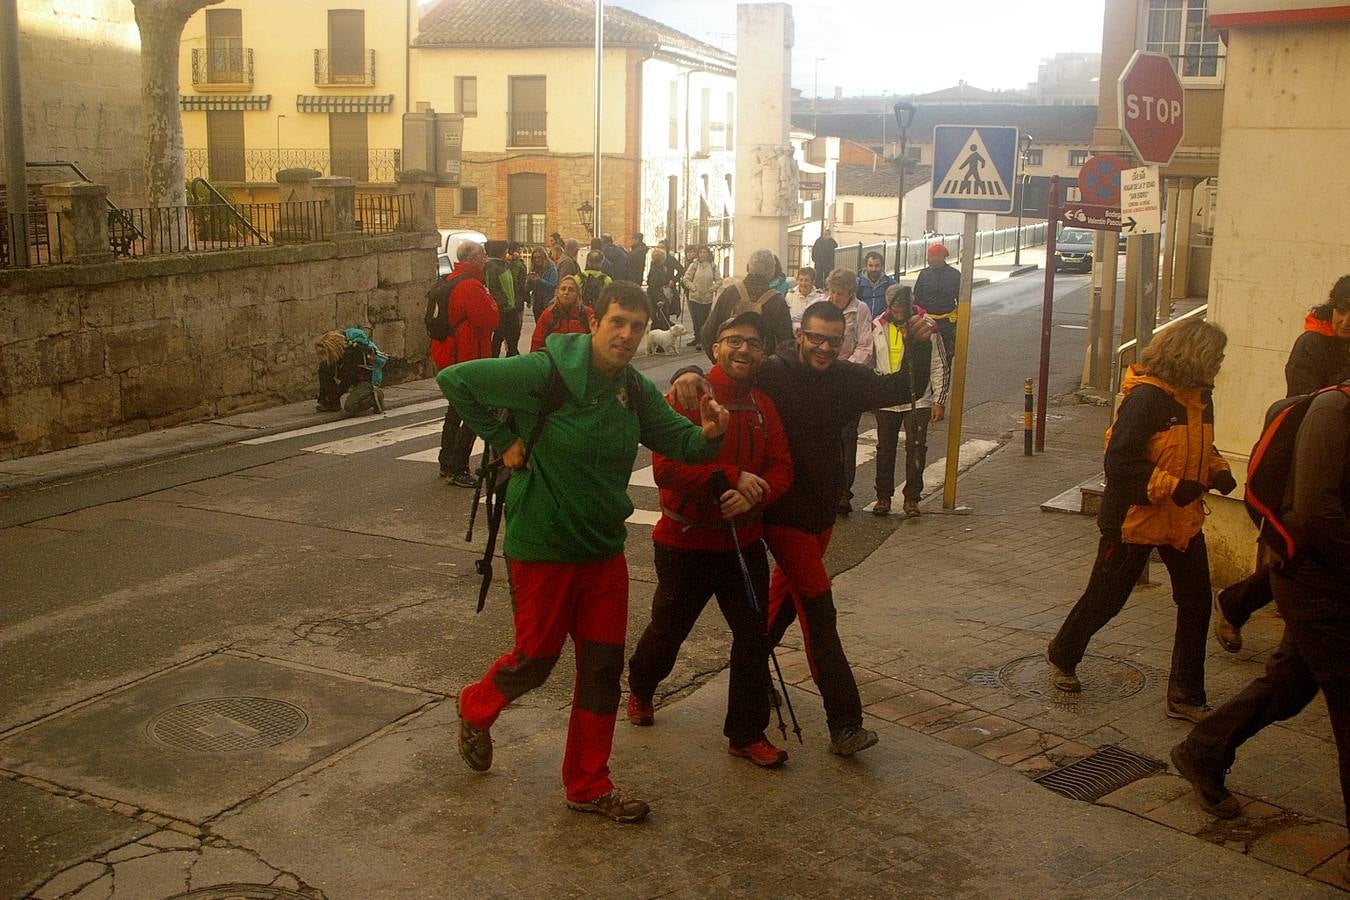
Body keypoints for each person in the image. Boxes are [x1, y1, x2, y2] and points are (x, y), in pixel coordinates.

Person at [441, 282, 730, 824]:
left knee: (601, 670)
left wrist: (709, 436)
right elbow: (455, 379)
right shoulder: (546, 371)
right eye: (618, 322)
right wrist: (501, 441)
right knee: (536, 660)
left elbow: (679, 441)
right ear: (595, 321)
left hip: (602, 552)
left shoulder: (633, 389)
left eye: (637, 326)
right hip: (544, 545)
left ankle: (589, 785)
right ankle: (475, 706)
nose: (626, 335)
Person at [673, 300, 916, 756]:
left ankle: (752, 678)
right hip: (783, 514)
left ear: (843, 342)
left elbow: (902, 386)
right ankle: (845, 723)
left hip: (821, 513)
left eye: (833, 341)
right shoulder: (774, 370)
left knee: (777, 613)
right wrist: (685, 370)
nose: (824, 348)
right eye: (816, 338)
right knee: (820, 614)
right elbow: (729, 366)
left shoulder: (847, 378)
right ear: (800, 334)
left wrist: (917, 343)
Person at [1171, 382, 1350, 855]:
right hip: (1317, 583)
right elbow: (1316, 515)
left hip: (1330, 581)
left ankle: (1203, 751)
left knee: (1291, 683)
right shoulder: (1335, 410)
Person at [627, 311, 795, 767]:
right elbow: (666, 468)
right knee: (668, 631)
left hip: (743, 542)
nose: (744, 349)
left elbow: (781, 466)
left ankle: (746, 733)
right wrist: (730, 479)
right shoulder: (689, 393)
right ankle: (641, 686)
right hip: (685, 543)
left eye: (754, 343)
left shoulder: (763, 403)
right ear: (715, 347)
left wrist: (755, 498)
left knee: (752, 638)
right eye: (734, 340)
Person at [1046, 320, 1235, 723]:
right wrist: (1169, 486)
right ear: (1194, 356)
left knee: (1198, 602)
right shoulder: (1146, 399)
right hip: (1133, 520)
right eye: (1216, 355)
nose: (1220, 363)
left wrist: (1216, 469)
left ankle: (1186, 694)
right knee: (1106, 600)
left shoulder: (1200, 397)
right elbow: (1119, 461)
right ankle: (1063, 654)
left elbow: (1201, 445)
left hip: (1182, 522)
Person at [1214, 275, 1350, 652]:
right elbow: (1303, 405)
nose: (1346, 320)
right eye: (1341, 310)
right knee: (1302, 551)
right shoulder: (1312, 344)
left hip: (1340, 468)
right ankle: (1243, 609)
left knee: (1307, 557)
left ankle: (1240, 608)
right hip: (1304, 462)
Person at [865, 285, 948, 517]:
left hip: (917, 399)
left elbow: (939, 364)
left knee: (916, 449)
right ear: (888, 305)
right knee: (885, 450)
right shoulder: (877, 326)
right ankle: (883, 497)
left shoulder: (926, 326)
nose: (899, 311)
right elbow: (870, 361)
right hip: (887, 399)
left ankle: (912, 499)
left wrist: (939, 399)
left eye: (903, 306)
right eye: (895, 307)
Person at [430, 240, 500, 485]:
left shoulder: (450, 280)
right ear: (473, 259)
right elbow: (490, 318)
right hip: (467, 355)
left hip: (450, 353)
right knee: (473, 412)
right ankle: (459, 467)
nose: (485, 259)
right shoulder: (471, 285)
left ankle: (446, 461)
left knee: (455, 409)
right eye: (482, 255)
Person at [824, 267, 876, 516]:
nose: (834, 297)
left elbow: (866, 345)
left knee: (846, 437)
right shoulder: (822, 305)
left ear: (850, 293)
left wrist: (845, 368)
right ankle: (824, 489)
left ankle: (844, 492)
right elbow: (798, 323)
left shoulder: (861, 309)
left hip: (847, 380)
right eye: (832, 292)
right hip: (822, 378)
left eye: (840, 293)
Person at [699, 248, 794, 359]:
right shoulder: (777, 300)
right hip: (762, 370)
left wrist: (719, 360)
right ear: (772, 272)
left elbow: (707, 332)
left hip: (730, 366)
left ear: (748, 267)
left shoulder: (730, 293)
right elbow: (786, 343)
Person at [913, 244, 961, 364]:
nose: (928, 259)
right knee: (924, 357)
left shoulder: (955, 275)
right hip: (926, 322)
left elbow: (960, 299)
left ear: (941, 257)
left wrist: (958, 323)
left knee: (945, 357)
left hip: (947, 323)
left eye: (931, 256)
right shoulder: (924, 274)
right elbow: (916, 298)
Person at [529, 275, 593, 352]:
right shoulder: (548, 314)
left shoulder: (587, 314)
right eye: (563, 289)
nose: (566, 292)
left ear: (577, 294)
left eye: (571, 290)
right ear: (557, 292)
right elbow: (537, 342)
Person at [484, 240, 522, 358]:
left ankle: (512, 358)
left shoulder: (504, 264)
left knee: (513, 336)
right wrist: (503, 303)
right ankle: (494, 361)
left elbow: (516, 276)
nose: (507, 253)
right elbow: (492, 288)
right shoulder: (492, 266)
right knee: (499, 337)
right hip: (502, 309)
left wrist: (516, 261)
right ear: (500, 252)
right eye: (505, 251)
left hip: (510, 307)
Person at [682, 245, 723, 351]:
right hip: (695, 297)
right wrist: (693, 288)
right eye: (700, 252)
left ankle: (704, 339)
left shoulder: (713, 266)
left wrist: (712, 289)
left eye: (704, 252)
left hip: (707, 298)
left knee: (705, 320)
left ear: (708, 254)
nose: (702, 254)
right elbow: (686, 279)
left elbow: (719, 280)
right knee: (697, 319)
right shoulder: (694, 265)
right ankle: (698, 339)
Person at [856, 251, 897, 318]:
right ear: (865, 266)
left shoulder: (890, 284)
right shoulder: (857, 284)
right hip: (863, 322)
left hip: (883, 322)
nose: (874, 269)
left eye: (877, 266)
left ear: (882, 266)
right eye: (870, 266)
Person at [527, 247, 559, 321]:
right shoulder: (534, 269)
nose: (537, 260)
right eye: (535, 258)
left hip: (547, 303)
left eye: (539, 257)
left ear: (544, 257)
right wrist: (529, 281)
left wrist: (538, 280)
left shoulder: (551, 268)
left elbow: (553, 285)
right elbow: (527, 289)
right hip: (536, 303)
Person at [645, 247, 674, 323]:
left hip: (660, 295)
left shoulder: (658, 268)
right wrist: (659, 300)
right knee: (661, 319)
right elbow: (654, 287)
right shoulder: (656, 271)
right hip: (658, 297)